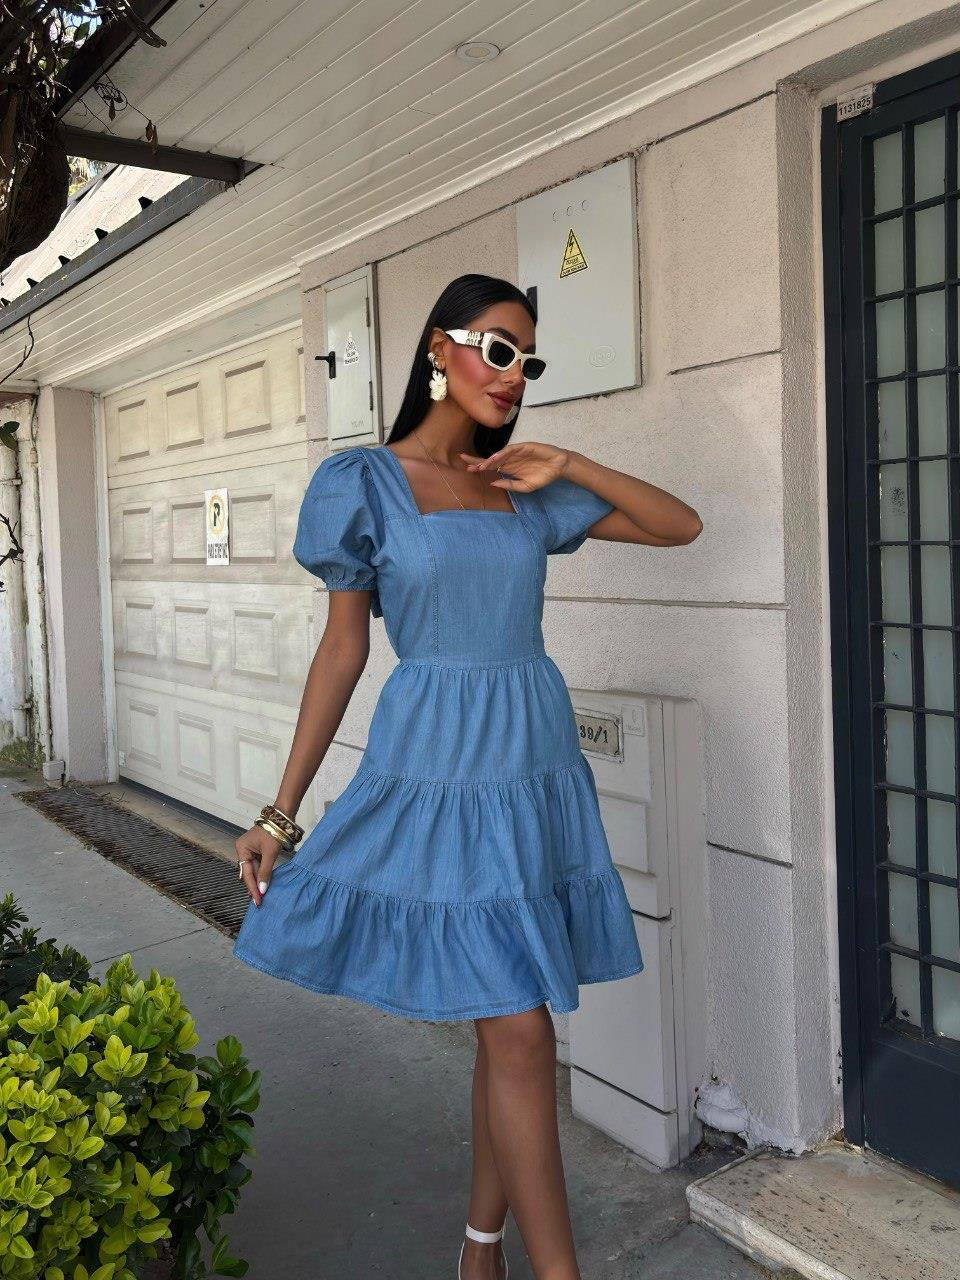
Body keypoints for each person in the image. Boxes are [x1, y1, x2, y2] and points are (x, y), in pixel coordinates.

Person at [231, 273, 702, 1280]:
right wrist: (280, 811)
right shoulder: (364, 483)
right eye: (497, 349)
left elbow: (680, 525)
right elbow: (343, 650)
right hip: (439, 771)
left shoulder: (520, 486)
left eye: (527, 360)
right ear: (439, 349)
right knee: (522, 1028)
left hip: (531, 766)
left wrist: (571, 461)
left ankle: (480, 1248)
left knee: (509, 1020)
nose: (513, 375)